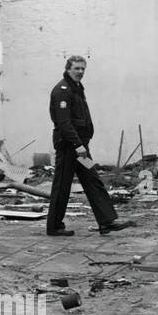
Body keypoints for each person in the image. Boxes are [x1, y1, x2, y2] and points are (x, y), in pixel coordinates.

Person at [45, 55, 133, 236]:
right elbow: (64, 122)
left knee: (93, 179)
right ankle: (54, 226)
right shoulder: (63, 90)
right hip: (70, 147)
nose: (80, 72)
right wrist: (77, 144)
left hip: (81, 149)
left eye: (83, 69)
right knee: (62, 185)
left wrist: (82, 143)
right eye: (76, 68)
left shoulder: (76, 88)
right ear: (68, 68)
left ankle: (107, 221)